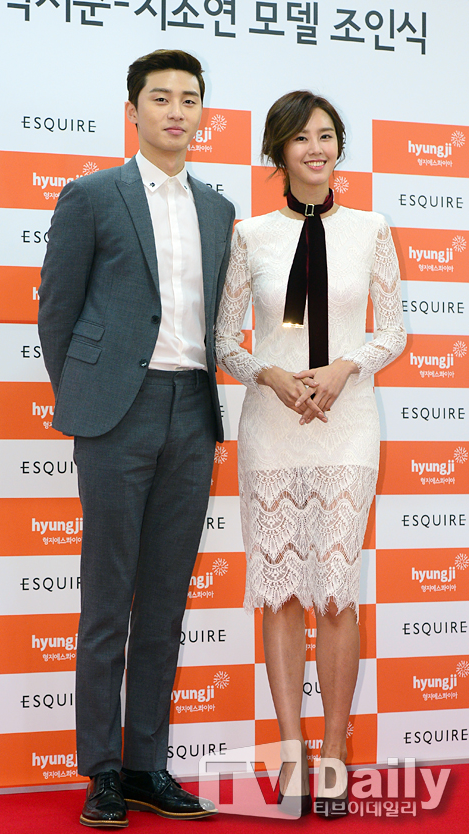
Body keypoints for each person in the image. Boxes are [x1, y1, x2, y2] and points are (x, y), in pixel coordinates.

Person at [38, 49, 235, 828]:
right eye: (161, 98)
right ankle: (102, 771)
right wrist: (88, 399)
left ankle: (148, 764)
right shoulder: (92, 195)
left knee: (165, 599)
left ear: (202, 113)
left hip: (194, 410)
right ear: (134, 110)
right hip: (117, 414)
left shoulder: (218, 210)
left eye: (189, 98)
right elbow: (57, 313)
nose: (176, 111)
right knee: (106, 598)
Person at [215, 90, 406, 818]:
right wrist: (270, 374)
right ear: (279, 151)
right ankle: (292, 751)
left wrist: (345, 367)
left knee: (334, 590)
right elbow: (226, 341)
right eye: (302, 138)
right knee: (281, 591)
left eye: (327, 136)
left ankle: (334, 751)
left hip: (346, 423)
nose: (317, 149)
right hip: (273, 425)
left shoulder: (370, 229)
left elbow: (393, 331)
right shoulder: (250, 235)